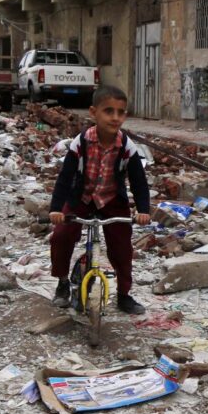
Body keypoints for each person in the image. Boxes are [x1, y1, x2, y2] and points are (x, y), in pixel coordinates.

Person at [48, 85, 152, 314]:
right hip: (81, 198)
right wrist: (56, 209)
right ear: (93, 113)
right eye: (108, 111)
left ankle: (124, 295)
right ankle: (63, 283)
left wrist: (143, 210)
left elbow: (139, 183)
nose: (115, 118)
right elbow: (64, 179)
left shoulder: (127, 147)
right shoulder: (81, 143)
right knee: (61, 236)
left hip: (112, 200)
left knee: (122, 248)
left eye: (121, 112)